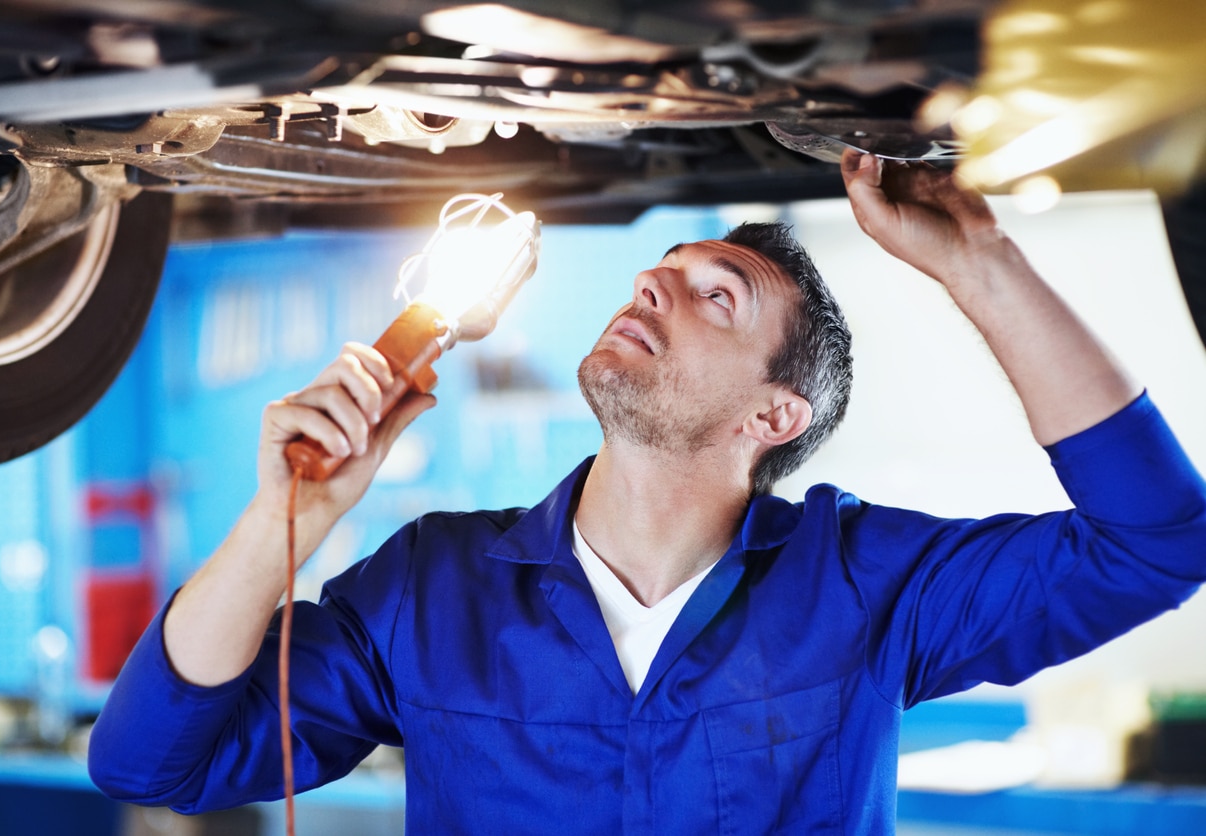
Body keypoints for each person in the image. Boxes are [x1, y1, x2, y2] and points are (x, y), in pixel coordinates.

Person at [89, 150, 1206, 834]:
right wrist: (289, 519)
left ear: (775, 415)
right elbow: (148, 762)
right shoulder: (433, 587)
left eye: (715, 295)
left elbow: (1157, 542)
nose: (656, 285)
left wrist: (981, 264)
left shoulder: (867, 583)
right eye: (654, 272)